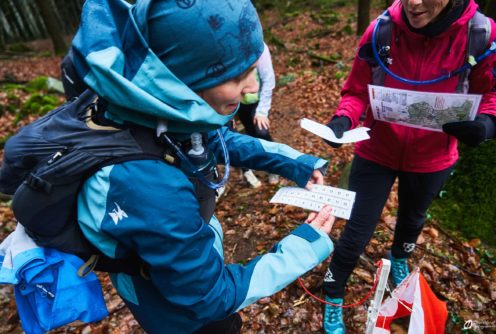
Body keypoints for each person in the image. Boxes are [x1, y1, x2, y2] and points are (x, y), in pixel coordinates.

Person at [66, 0, 336, 333]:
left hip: (186, 264)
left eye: (252, 69)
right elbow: (208, 297)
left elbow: (219, 140)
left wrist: (294, 162)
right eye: (237, 76)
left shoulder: (162, 112)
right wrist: (305, 244)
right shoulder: (148, 185)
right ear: (180, 79)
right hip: (177, 314)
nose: (253, 87)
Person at [321, 0, 496, 333]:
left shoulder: (481, 35)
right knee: (356, 230)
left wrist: (488, 123)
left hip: (432, 158)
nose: (414, 2)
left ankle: (400, 257)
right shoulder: (382, 31)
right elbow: (357, 89)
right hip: (376, 149)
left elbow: (493, 93)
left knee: (413, 218)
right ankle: (332, 292)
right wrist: (343, 118)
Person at [236, 43, 279, 188]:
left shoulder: (259, 46)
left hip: (256, 100)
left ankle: (274, 166)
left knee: (262, 132)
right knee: (247, 134)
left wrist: (262, 111)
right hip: (237, 102)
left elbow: (268, 79)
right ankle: (247, 170)